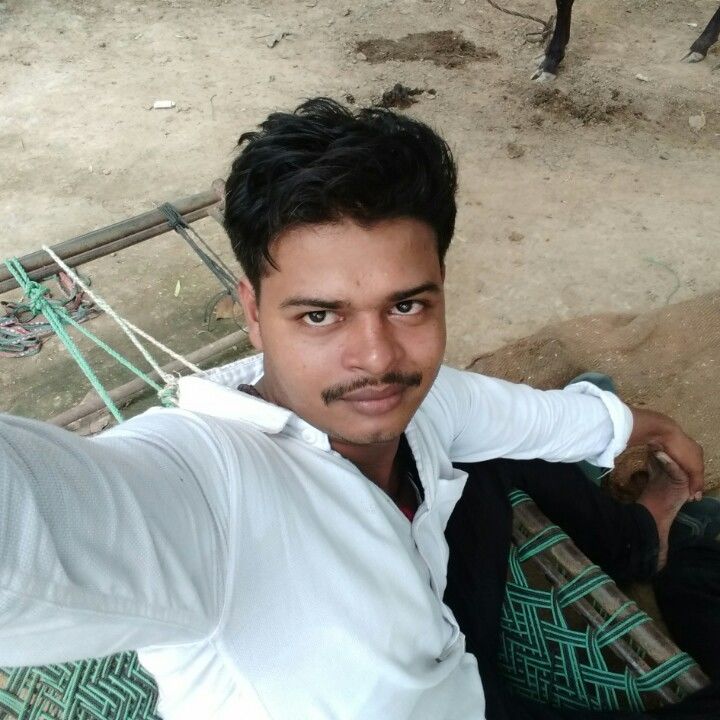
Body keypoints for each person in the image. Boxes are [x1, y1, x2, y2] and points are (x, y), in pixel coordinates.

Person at [0, 98, 712, 720]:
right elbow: (32, 526)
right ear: (252, 312)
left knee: (499, 453)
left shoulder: (425, 402)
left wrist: (630, 424)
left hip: (457, 669)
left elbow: (515, 413)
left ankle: (639, 539)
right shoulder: (203, 490)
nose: (376, 358)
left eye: (406, 306)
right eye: (319, 316)